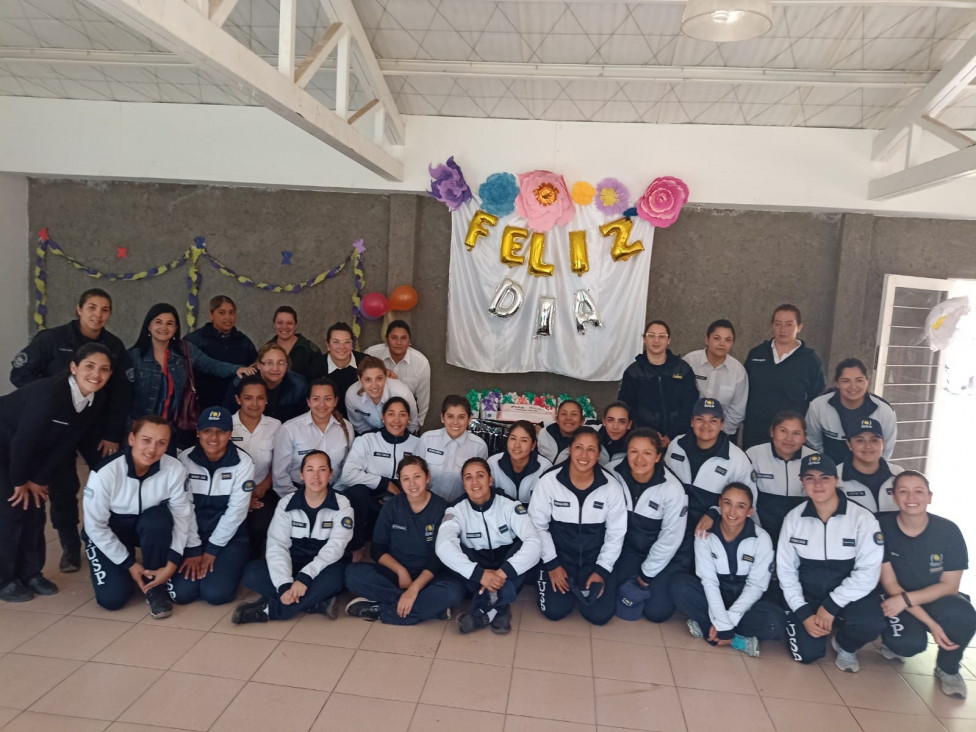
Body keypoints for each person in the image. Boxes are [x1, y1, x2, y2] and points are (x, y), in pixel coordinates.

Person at [9, 288, 131, 573]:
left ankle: (109, 539)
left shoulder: (114, 345)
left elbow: (121, 393)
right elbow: (20, 374)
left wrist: (112, 433)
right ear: (79, 309)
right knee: (64, 487)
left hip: (95, 428)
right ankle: (70, 548)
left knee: (111, 481)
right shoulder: (50, 339)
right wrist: (48, 405)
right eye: (91, 307)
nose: (97, 315)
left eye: (104, 309)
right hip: (54, 428)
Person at [0, 344, 113, 602]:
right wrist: (20, 481)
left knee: (36, 510)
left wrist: (39, 479)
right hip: (6, 446)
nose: (96, 374)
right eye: (89, 366)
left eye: (104, 369)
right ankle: (5, 580)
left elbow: (67, 441)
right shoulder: (51, 393)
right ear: (73, 367)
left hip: (30, 453)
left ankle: (30, 573)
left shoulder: (94, 398)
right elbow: (22, 440)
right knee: (11, 513)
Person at [778, 452, 885, 672]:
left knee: (871, 623)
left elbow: (868, 573)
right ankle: (817, 625)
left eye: (824, 477)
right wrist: (804, 613)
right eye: (810, 478)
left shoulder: (862, 519)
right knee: (807, 655)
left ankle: (845, 644)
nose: (817, 484)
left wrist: (831, 605)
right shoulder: (793, 519)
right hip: (809, 595)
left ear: (836, 480)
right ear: (802, 483)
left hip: (848, 596)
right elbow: (786, 571)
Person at [82, 415, 195, 618]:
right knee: (113, 599)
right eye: (146, 440)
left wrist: (171, 563)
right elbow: (95, 526)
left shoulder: (175, 468)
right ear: (132, 439)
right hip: (112, 530)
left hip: (149, 527)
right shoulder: (105, 472)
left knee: (158, 520)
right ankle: (131, 570)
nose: (152, 449)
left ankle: (155, 587)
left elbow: (181, 517)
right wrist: (129, 565)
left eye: (162, 443)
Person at [878, 471, 976, 699]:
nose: (911, 497)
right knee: (908, 645)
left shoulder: (948, 531)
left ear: (930, 496)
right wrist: (932, 624)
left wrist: (906, 601)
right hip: (895, 598)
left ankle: (948, 668)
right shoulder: (882, 528)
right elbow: (890, 583)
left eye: (918, 491)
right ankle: (894, 642)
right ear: (894, 497)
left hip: (930, 597)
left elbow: (950, 586)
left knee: (964, 616)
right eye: (903, 491)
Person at [233, 450, 353, 623]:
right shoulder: (286, 503)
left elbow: (335, 547)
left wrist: (305, 578)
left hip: (323, 566)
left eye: (322, 469)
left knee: (339, 577)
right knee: (252, 573)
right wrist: (283, 584)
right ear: (301, 475)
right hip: (292, 562)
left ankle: (271, 610)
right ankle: (315, 602)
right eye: (310, 469)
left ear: (331, 474)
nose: (316, 476)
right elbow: (277, 545)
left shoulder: (342, 505)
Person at [671, 483, 786, 657]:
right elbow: (709, 581)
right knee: (679, 586)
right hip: (716, 591)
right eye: (727, 503)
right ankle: (736, 639)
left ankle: (709, 628)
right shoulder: (705, 532)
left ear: (750, 511)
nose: (732, 512)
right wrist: (724, 625)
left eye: (740, 506)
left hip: (744, 597)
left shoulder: (761, 539)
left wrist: (727, 622)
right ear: (720, 504)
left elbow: (755, 586)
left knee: (775, 622)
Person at [345, 456, 463, 624]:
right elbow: (377, 549)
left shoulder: (441, 508)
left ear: (427, 477)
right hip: (397, 574)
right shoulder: (392, 506)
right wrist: (401, 572)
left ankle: (381, 610)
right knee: (353, 574)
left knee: (454, 591)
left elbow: (440, 558)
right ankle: (427, 607)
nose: (412, 484)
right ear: (400, 481)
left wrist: (414, 588)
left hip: (429, 575)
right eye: (405, 479)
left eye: (417, 476)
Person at [530, 427, 627, 626]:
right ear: (570, 450)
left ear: (598, 454)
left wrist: (601, 570)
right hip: (559, 559)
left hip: (594, 560)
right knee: (554, 611)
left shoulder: (611, 486)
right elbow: (537, 525)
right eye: (579, 448)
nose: (584, 455)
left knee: (599, 616)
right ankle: (569, 589)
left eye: (591, 449)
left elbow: (616, 533)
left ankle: (582, 587)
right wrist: (552, 565)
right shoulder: (549, 481)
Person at [436, 457, 541, 634]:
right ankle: (500, 608)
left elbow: (534, 543)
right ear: (463, 483)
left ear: (490, 479)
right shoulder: (455, 510)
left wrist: (500, 574)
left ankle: (480, 614)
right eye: (468, 477)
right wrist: (481, 574)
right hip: (476, 575)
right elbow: (443, 546)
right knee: (451, 548)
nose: (475, 482)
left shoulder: (509, 505)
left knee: (525, 544)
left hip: (507, 573)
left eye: (480, 475)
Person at [129, 303, 254, 448]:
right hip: (139, 429)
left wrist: (236, 369)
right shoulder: (133, 357)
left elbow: (211, 365)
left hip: (171, 430)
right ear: (148, 326)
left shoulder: (185, 350)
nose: (164, 328)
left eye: (170, 323)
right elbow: (123, 397)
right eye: (158, 322)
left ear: (175, 328)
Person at [171, 407, 254, 606]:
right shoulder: (184, 460)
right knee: (182, 593)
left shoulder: (243, 463)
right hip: (192, 535)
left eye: (221, 431)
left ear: (230, 434)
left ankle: (234, 564)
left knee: (215, 594)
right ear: (198, 432)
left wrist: (212, 549)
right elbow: (183, 508)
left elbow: (236, 512)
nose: (214, 437)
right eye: (208, 431)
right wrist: (193, 549)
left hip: (228, 538)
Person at [608, 428, 687, 623]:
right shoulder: (612, 472)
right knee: (611, 598)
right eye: (634, 451)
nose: (639, 459)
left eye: (647, 453)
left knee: (656, 613)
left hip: (661, 553)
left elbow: (670, 539)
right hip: (629, 549)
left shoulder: (672, 489)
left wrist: (646, 574)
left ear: (658, 456)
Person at [666, 398, 756, 549]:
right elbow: (664, 485)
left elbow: (747, 505)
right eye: (700, 419)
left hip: (713, 530)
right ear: (691, 422)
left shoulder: (738, 459)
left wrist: (715, 513)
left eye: (713, 421)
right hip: (674, 524)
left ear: (722, 424)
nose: (706, 426)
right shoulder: (676, 445)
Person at [336, 396, 419, 557]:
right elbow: (347, 475)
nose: (396, 420)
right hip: (370, 501)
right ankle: (357, 547)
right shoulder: (367, 440)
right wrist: (384, 483)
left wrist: (399, 495)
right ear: (383, 417)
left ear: (409, 418)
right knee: (356, 493)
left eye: (402, 414)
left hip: (402, 501)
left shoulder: (418, 444)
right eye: (391, 414)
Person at [743, 304, 826, 449]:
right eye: (778, 324)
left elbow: (817, 399)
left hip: (790, 437)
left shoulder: (811, 361)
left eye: (789, 324)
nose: (782, 329)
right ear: (772, 325)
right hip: (755, 431)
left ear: (799, 327)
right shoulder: (757, 354)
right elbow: (743, 390)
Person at [272, 378, 354, 506]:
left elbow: (347, 468)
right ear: (308, 402)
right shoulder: (290, 429)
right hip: (296, 492)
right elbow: (280, 475)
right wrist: (296, 501)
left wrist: (334, 496)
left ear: (335, 401)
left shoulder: (347, 428)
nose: (322, 404)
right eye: (316, 399)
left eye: (327, 399)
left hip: (334, 493)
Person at [617, 320, 698, 447]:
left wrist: (672, 435)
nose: (656, 340)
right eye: (651, 335)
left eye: (661, 336)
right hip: (643, 439)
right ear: (644, 339)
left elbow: (690, 405)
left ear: (669, 340)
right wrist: (649, 434)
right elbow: (627, 408)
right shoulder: (633, 372)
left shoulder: (682, 369)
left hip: (679, 439)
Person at [806, 358, 897, 465]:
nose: (853, 386)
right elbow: (813, 441)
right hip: (829, 471)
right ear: (837, 383)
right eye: (845, 381)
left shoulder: (884, 411)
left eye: (859, 380)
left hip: (867, 472)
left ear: (867, 381)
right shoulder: (818, 406)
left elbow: (886, 450)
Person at [745, 410, 814, 546]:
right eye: (783, 431)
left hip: (800, 534)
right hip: (759, 531)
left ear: (804, 437)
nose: (789, 439)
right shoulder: (754, 454)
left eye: (796, 433)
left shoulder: (814, 460)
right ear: (772, 431)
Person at [230, 375, 282, 558]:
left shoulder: (275, 426)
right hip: (230, 492)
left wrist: (264, 485)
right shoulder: (227, 426)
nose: (255, 403)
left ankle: (253, 556)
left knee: (260, 523)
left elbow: (279, 463)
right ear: (238, 399)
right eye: (248, 398)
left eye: (260, 397)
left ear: (266, 399)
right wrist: (242, 497)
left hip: (262, 490)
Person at [184, 295, 258, 410]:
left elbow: (254, 367)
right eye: (222, 313)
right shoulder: (194, 341)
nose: (228, 317)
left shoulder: (244, 342)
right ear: (211, 315)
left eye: (231, 312)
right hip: (200, 406)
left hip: (235, 407)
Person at [683, 319, 748, 437]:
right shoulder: (690, 361)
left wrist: (718, 434)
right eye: (717, 338)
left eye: (728, 340)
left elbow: (738, 410)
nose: (722, 344)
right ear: (707, 340)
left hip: (724, 433)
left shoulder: (738, 371)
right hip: (688, 430)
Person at [417, 395, 488, 503]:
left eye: (461, 417)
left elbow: (481, 483)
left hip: (462, 507)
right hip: (428, 505)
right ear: (442, 417)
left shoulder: (479, 446)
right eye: (450, 416)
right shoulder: (427, 439)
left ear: (469, 419)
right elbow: (415, 473)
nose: (455, 422)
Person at [365, 320, 432, 425]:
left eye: (403, 338)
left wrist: (417, 425)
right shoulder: (371, 354)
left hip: (403, 417)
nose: (399, 343)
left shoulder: (421, 363)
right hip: (374, 413)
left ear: (409, 340)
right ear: (386, 339)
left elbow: (423, 399)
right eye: (394, 338)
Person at [837, 418, 903, 517]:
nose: (868, 446)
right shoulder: (835, 476)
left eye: (874, 440)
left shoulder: (898, 474)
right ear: (849, 444)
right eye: (860, 441)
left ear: (883, 443)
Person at [228, 343, 308, 423]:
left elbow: (304, 419)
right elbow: (228, 415)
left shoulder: (299, 386)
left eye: (281, 363)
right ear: (259, 365)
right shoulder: (241, 383)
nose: (275, 368)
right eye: (269, 363)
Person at [344, 356, 419, 436]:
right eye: (368, 380)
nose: (374, 385)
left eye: (379, 378)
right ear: (359, 379)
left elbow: (412, 424)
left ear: (386, 377)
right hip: (370, 437)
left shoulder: (403, 393)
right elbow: (359, 426)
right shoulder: (352, 396)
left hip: (401, 434)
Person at [307, 322, 367, 418]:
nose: (341, 347)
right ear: (328, 345)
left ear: (352, 344)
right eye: (336, 342)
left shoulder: (366, 362)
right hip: (328, 420)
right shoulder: (315, 368)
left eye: (346, 342)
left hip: (363, 419)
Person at [487, 420, 552, 503]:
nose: (517, 445)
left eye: (524, 440)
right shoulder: (492, 463)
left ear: (533, 445)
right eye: (513, 439)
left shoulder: (545, 467)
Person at [265, 305, 321, 379]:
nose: (284, 327)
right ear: (274, 325)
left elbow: (318, 381)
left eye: (289, 323)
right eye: (280, 322)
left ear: (295, 326)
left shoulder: (311, 351)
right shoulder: (266, 350)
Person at [537, 400, 585, 464]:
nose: (568, 418)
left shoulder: (585, 442)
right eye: (564, 414)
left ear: (582, 421)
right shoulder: (543, 434)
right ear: (557, 419)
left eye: (574, 414)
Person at [598, 401, 632, 465]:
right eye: (610, 420)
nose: (615, 427)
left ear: (629, 425)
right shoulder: (592, 438)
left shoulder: (636, 447)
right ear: (604, 421)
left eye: (622, 422)